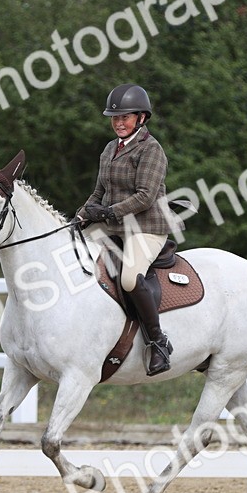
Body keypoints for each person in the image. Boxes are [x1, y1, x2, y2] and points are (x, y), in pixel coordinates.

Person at [76, 83, 178, 376]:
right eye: (115, 118)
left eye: (126, 117)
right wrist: (80, 217)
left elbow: (145, 197)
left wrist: (109, 212)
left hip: (147, 225)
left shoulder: (151, 150)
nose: (119, 123)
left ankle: (158, 342)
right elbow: (98, 192)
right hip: (113, 224)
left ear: (141, 118)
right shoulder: (109, 149)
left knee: (131, 278)